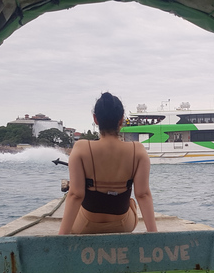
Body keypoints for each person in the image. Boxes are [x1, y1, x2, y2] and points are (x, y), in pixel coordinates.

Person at [59, 92, 157, 234]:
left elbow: (75, 194)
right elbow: (143, 195)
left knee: (80, 207)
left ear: (95, 119)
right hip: (123, 226)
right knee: (132, 203)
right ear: (121, 120)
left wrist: (61, 238)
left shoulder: (81, 148)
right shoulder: (138, 151)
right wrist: (154, 235)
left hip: (85, 226)